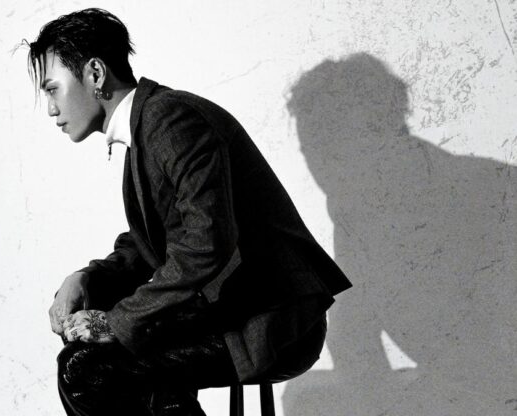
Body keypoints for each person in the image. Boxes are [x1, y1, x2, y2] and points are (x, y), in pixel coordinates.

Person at [23, 8, 352, 416]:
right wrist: (87, 278)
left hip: (266, 319)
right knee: (96, 352)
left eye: (52, 89)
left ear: (95, 74)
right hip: (233, 307)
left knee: (87, 369)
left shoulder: (170, 120)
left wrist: (115, 322)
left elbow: (205, 244)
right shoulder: (149, 126)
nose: (51, 109)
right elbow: (154, 241)